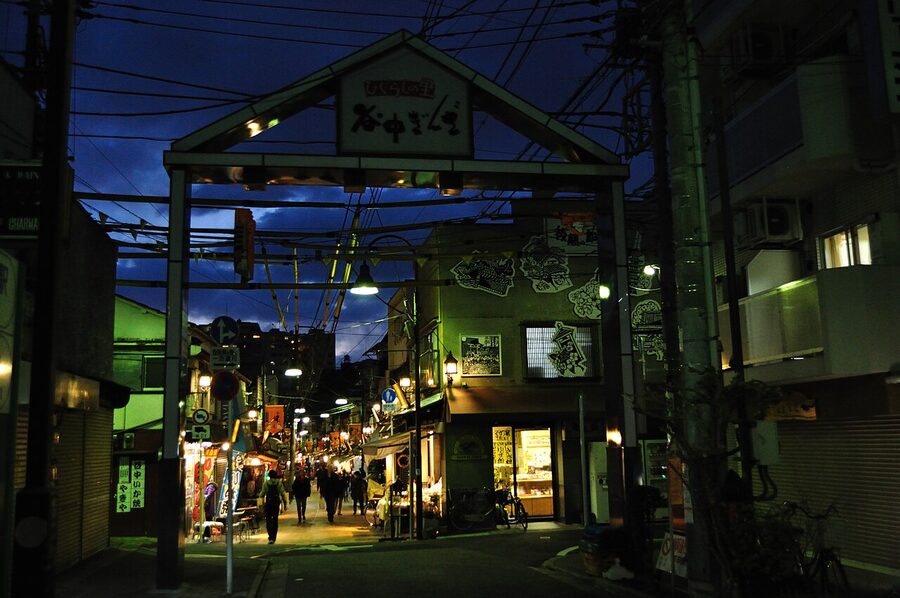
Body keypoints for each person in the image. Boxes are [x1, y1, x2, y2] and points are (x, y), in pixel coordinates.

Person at [257, 470, 287, 544]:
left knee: (268, 520)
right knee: (275, 520)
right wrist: (285, 503)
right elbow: (283, 493)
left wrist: (259, 504)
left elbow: (262, 494)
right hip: (276, 503)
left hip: (269, 503)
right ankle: (274, 537)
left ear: (269, 476)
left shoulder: (266, 483)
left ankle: (270, 536)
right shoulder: (279, 483)